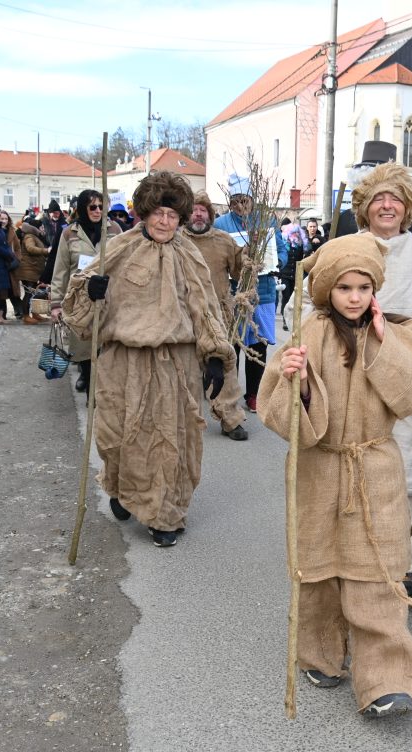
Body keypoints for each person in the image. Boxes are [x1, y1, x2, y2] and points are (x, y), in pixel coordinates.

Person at [258, 234, 412, 718]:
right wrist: (293, 381)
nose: (355, 297)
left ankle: (388, 677)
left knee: (376, 568)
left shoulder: (397, 332)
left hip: (374, 466)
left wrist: (382, 341)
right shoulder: (307, 334)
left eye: (363, 287)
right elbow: (278, 414)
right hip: (319, 467)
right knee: (317, 568)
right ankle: (319, 651)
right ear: (326, 292)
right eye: (343, 288)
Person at [61, 171, 236, 548]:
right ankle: (123, 488)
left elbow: (206, 309)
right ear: (144, 212)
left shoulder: (188, 254)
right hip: (123, 361)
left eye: (173, 216)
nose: (165, 221)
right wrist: (91, 292)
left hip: (176, 362)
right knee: (118, 436)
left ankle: (165, 515)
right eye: (158, 213)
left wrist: (217, 357)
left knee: (169, 440)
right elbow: (78, 310)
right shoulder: (118, 249)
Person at [328, 161, 412, 595]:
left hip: (409, 373)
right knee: (360, 466)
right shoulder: (344, 248)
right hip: (354, 373)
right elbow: (311, 304)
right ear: (363, 207)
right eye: (378, 198)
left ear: (408, 205)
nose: (386, 205)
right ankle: (361, 555)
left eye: (394, 197)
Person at [212, 175, 288, 413]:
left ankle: (254, 393)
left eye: (244, 201)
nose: (240, 206)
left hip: (262, 293)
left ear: (253, 200)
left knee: (258, 344)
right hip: (233, 293)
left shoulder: (266, 220)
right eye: (235, 201)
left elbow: (281, 251)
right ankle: (228, 392)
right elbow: (215, 256)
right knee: (232, 343)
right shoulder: (222, 224)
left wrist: (276, 262)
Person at [184, 191, 250, 441]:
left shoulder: (224, 240)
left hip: (218, 314)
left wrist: (250, 260)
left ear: (210, 215)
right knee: (185, 368)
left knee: (224, 366)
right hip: (183, 313)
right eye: (193, 209)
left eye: (203, 210)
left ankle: (230, 419)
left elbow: (239, 271)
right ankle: (185, 418)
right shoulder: (176, 240)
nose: (198, 213)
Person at [51, 191, 124, 392]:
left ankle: (100, 389)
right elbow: (61, 271)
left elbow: (124, 264)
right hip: (79, 300)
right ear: (83, 208)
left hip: (107, 297)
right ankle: (86, 375)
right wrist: (56, 304)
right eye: (93, 207)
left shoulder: (114, 230)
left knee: (105, 344)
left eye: (101, 206)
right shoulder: (69, 234)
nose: (98, 211)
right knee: (82, 345)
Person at [15, 214, 52, 324]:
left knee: (34, 293)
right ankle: (26, 316)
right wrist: (46, 251)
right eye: (41, 227)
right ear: (37, 228)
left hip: (34, 270)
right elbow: (30, 248)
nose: (43, 229)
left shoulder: (35, 236)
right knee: (28, 293)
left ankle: (35, 313)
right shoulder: (29, 237)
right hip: (28, 270)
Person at [279, 226, 306, 329]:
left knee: (293, 297)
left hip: (295, 275)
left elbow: (302, 257)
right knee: (286, 297)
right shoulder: (283, 244)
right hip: (285, 275)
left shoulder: (299, 245)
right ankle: (285, 319)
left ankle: (292, 319)